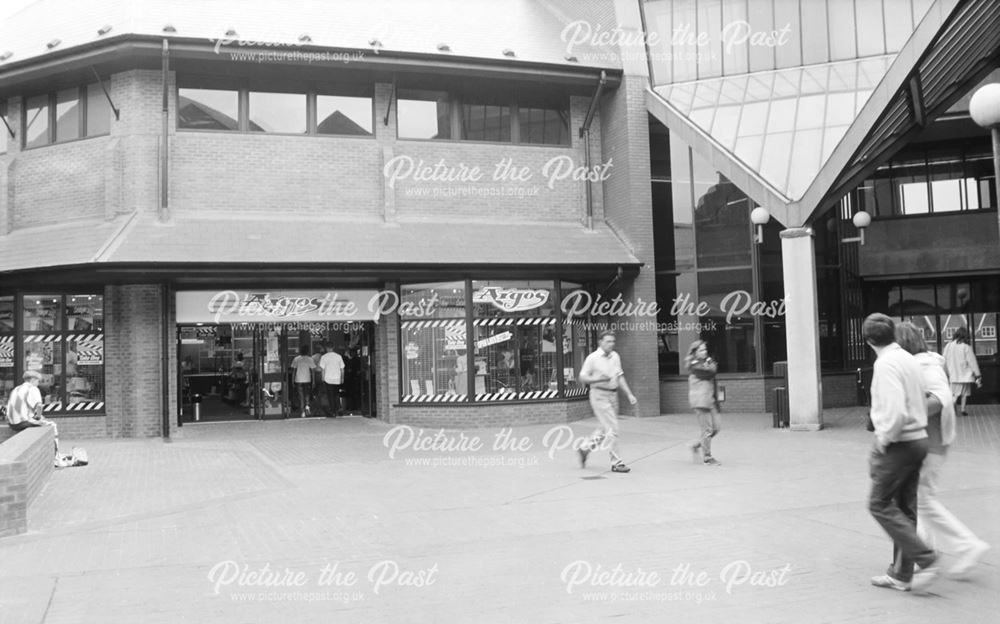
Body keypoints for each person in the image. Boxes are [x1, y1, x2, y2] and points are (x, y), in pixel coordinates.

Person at [896, 322, 991, 577]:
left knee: (921, 503)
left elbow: (940, 398)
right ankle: (926, 556)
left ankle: (959, 548)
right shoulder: (926, 363)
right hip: (931, 444)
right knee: (920, 502)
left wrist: (903, 415)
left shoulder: (922, 366)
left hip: (927, 444)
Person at [864, 313, 939, 592]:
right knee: (905, 509)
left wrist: (884, 438)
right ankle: (901, 575)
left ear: (869, 339)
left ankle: (926, 557)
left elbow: (895, 411)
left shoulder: (885, 364)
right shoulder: (909, 358)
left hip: (900, 442)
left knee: (879, 504)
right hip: (919, 439)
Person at [577, 330, 637, 473]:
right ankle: (616, 462)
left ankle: (585, 448)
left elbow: (620, 376)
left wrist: (629, 394)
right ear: (600, 342)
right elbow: (582, 377)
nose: (611, 344)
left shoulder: (615, 356)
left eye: (613, 341)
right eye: (608, 341)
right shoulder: (593, 358)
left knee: (605, 428)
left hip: (613, 395)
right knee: (613, 428)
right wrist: (599, 379)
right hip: (599, 395)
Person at [684, 340, 722, 466]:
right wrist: (710, 363)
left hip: (710, 400)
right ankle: (707, 457)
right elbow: (711, 371)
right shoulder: (694, 366)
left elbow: (713, 370)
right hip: (700, 401)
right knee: (707, 430)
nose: (704, 352)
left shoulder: (706, 362)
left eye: (705, 349)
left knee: (716, 428)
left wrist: (710, 363)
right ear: (695, 353)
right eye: (701, 350)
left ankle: (696, 445)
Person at [5, 370, 59, 453]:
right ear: (33, 380)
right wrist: (39, 418)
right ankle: (56, 456)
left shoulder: (16, 388)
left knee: (39, 422)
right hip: (22, 422)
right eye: (38, 380)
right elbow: (39, 406)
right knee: (52, 425)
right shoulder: (33, 388)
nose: (38, 383)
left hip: (12, 423)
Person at [942, 327, 981, 416]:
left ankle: (952, 410)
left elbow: (944, 358)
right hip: (965, 375)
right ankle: (963, 409)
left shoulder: (948, 345)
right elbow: (972, 361)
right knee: (964, 393)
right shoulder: (966, 346)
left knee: (954, 394)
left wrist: (945, 371)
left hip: (953, 375)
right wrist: (977, 374)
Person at [289, 345, 317, 417]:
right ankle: (307, 406)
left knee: (301, 396)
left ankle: (302, 412)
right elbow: (313, 371)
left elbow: (294, 371)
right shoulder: (310, 359)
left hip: (298, 380)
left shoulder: (296, 359)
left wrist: (292, 380)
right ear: (307, 351)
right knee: (307, 394)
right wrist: (313, 381)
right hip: (307, 379)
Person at [319, 345, 346, 417]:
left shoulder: (324, 357)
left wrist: (322, 378)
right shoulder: (338, 356)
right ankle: (339, 408)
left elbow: (322, 369)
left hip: (328, 379)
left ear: (327, 348)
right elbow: (342, 369)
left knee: (330, 395)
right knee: (336, 394)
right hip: (337, 378)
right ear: (333, 347)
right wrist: (342, 378)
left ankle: (333, 411)